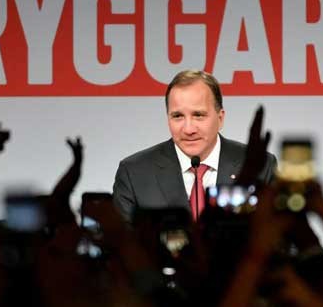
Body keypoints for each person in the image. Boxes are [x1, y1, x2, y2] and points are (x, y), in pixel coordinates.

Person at [112, 70, 276, 222]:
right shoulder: (134, 173)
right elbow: (122, 241)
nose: (188, 129)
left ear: (220, 119)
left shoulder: (261, 166)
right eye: (178, 116)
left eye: (198, 115)